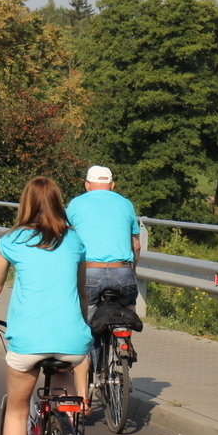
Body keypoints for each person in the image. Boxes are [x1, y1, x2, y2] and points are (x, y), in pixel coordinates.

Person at [0, 176, 92, 435]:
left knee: (18, 411)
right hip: (72, 342)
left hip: (28, 343)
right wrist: (81, 326)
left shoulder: (13, 241)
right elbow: (82, 292)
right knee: (64, 384)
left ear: (26, 203)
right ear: (58, 204)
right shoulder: (75, 240)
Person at [66, 165, 141, 385]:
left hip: (90, 272)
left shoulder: (76, 204)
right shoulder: (125, 203)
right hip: (123, 271)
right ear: (112, 185)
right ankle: (124, 339)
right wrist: (131, 271)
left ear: (87, 185)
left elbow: (66, 239)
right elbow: (136, 245)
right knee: (128, 306)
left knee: (84, 326)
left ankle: (85, 382)